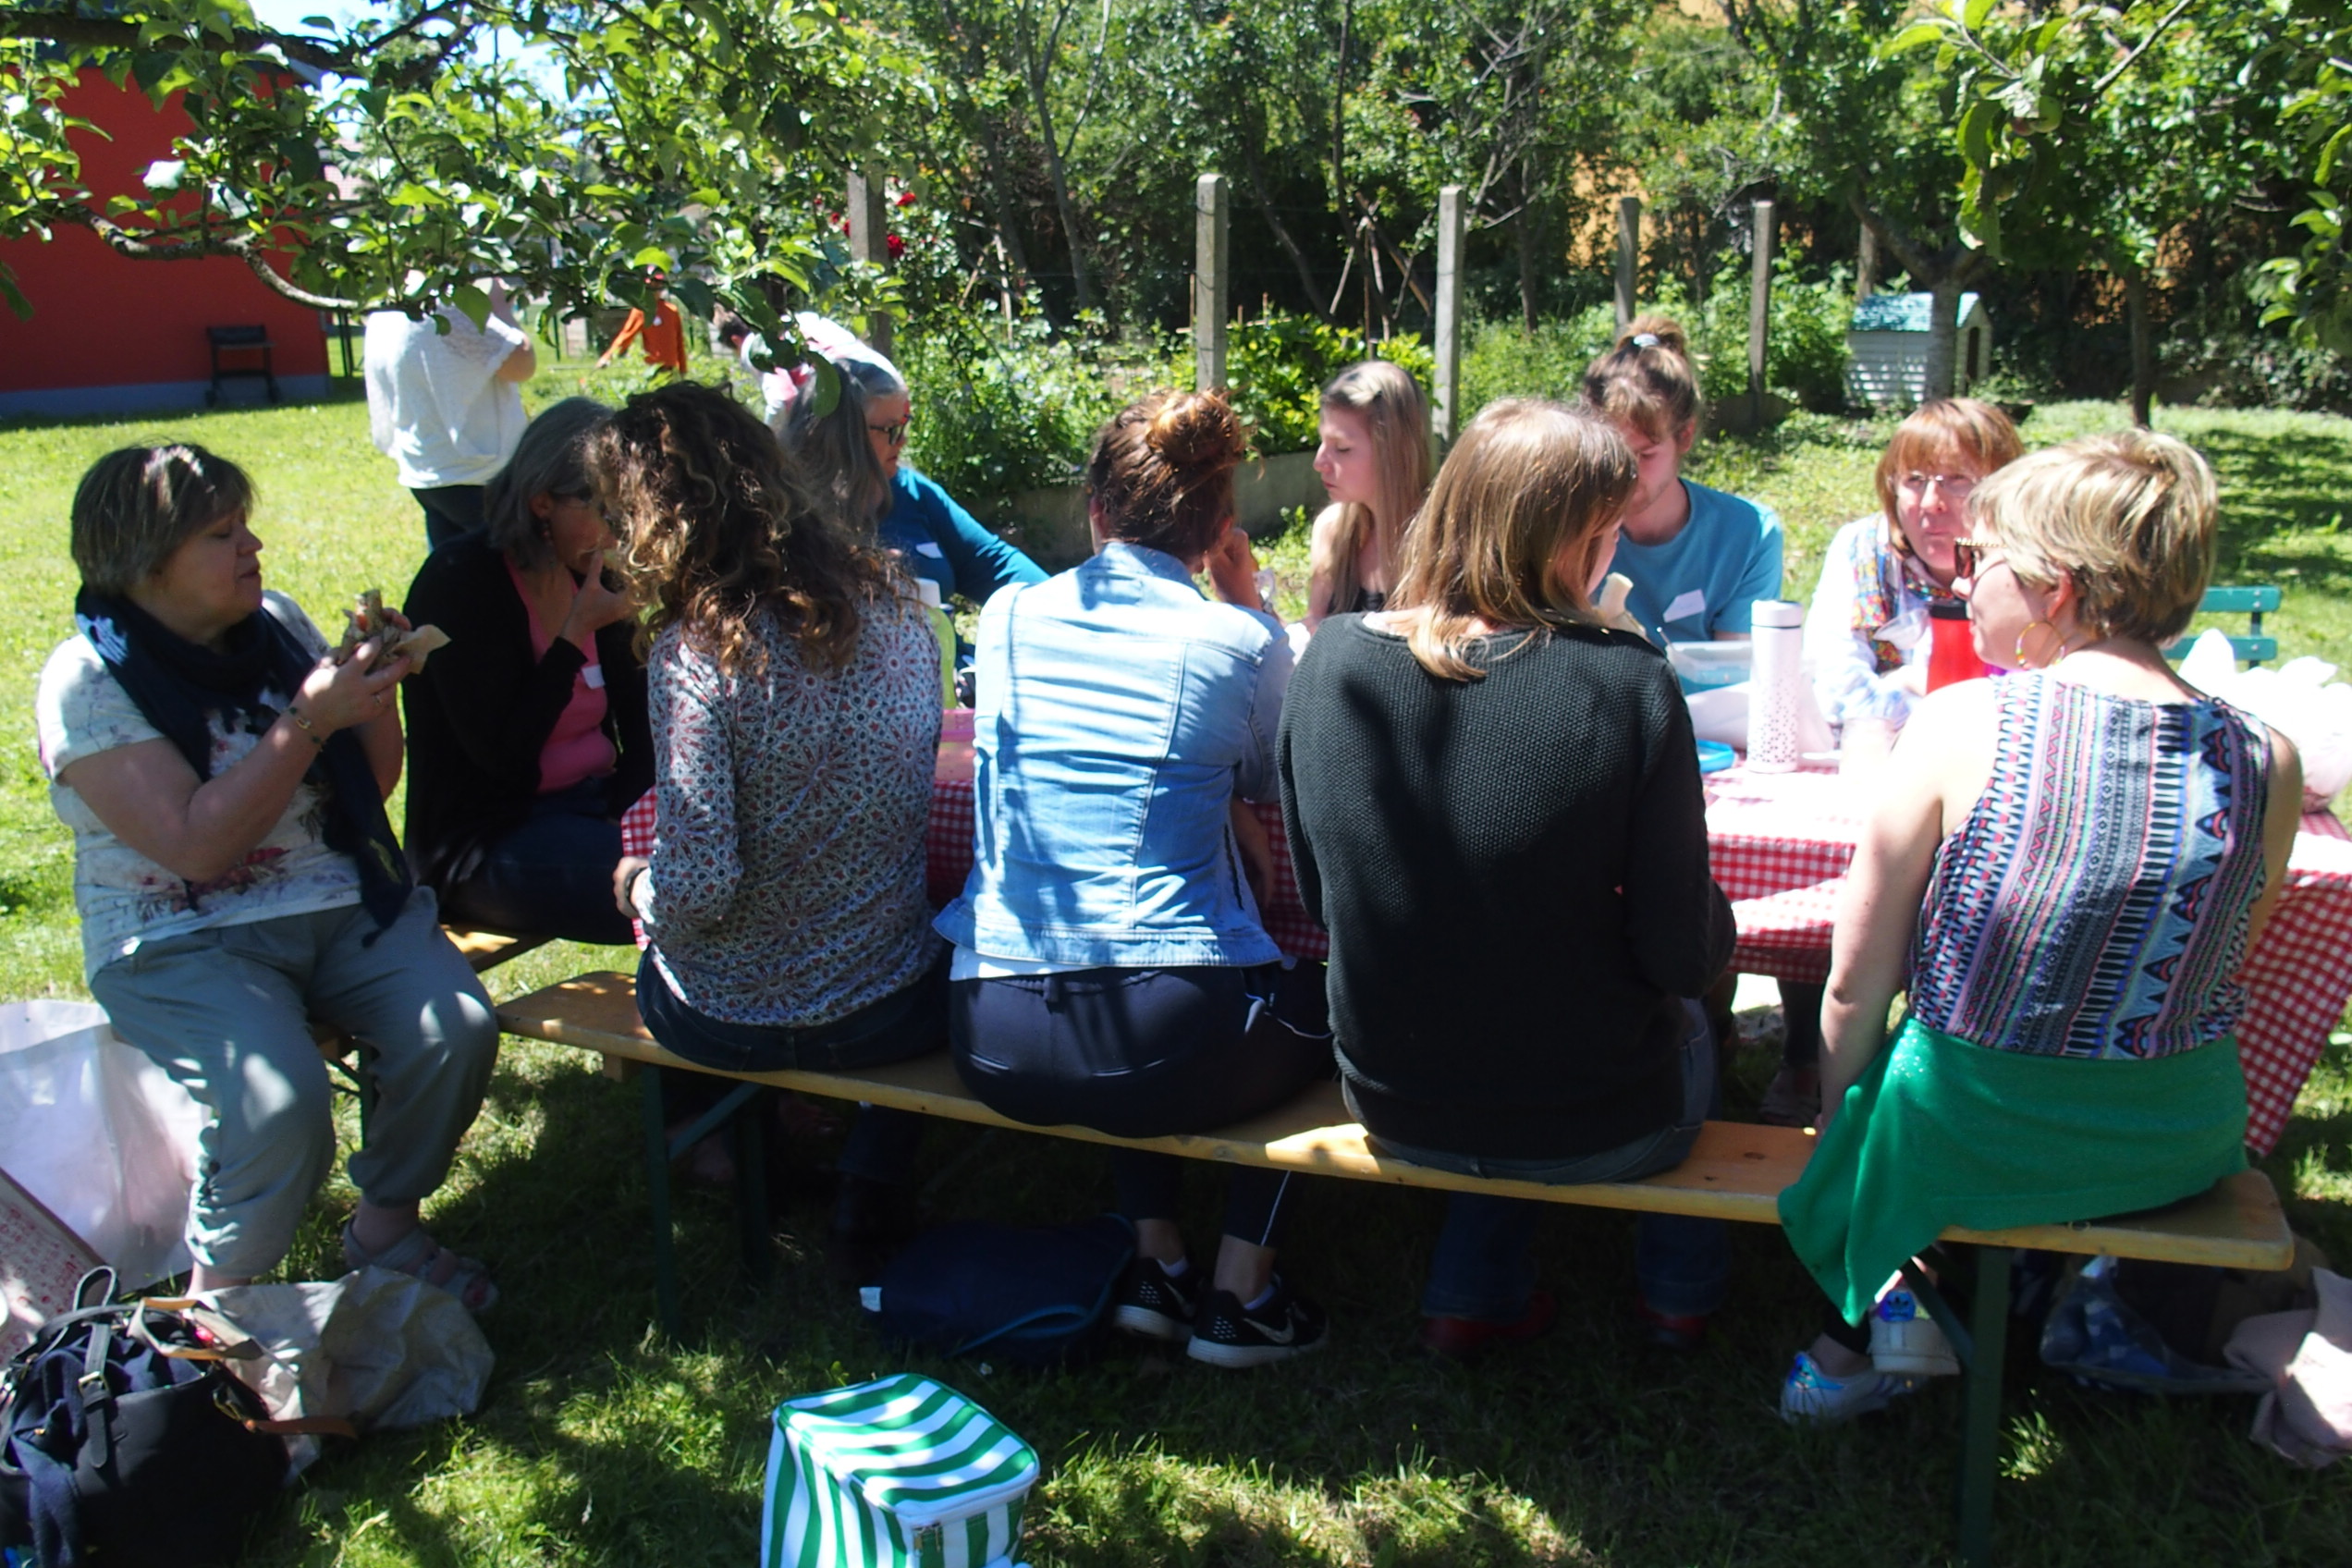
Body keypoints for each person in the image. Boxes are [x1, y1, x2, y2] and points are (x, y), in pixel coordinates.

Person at [1774, 430, 2303, 1422]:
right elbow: (2227, 952)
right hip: (2176, 1138)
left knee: (1893, 1102)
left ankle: (1860, 1347)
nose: (1964, 585)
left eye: (1985, 563)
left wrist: (1840, 1126)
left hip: (1966, 1133)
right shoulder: (2266, 754)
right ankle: (2055, 1301)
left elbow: (1855, 980)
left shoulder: (1962, 722)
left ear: (2055, 589)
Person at [1279, 398, 1735, 1358]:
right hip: (1598, 1122)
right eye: (1607, 534)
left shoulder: (1326, 667)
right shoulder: (1627, 679)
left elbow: (1326, 904)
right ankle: (1679, 1295)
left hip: (1392, 1098)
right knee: (1706, 1018)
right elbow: (1679, 954)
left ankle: (1472, 1283)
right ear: (1581, 541)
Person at [36, 445, 499, 1304]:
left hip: (337, 899)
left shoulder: (276, 623)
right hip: (180, 935)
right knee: (279, 1101)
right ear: (143, 559)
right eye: (221, 534)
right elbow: (194, 846)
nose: (251, 547)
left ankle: (385, 1227)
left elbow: (376, 780)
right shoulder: (88, 681)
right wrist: (307, 721)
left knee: (455, 1030)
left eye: (245, 526)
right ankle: (222, 1299)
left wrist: (375, 690)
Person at [936, 389, 1334, 1369]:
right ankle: (1243, 1289)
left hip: (986, 1030)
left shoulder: (1011, 612)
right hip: (1156, 1030)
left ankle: (1158, 1261)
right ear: (1216, 533)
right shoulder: (1237, 640)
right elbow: (1276, 772)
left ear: (1095, 512)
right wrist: (1254, 609)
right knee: (1328, 994)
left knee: (1126, 984)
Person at [599, 383, 941, 1231]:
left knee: (666, 968)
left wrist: (636, 885)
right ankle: (852, 1160)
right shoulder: (896, 610)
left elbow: (700, 887)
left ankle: (729, 1138)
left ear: (651, 518)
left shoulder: (695, 654)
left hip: (730, 1022)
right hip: (891, 1004)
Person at [1761, 399, 2027, 1127]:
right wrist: (1920, 698)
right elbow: (1832, 677)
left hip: (1993, 790)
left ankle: (1949, 1062)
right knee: (1829, 886)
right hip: (1874, 779)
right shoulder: (1864, 549)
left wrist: (1911, 698)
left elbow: (2037, 688)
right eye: (1913, 481)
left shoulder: (2026, 564)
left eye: (1958, 482)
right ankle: (1806, 1053)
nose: (1932, 505)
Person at [401, 398, 650, 946]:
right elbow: (504, 762)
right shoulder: (462, 581)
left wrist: (627, 816)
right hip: (487, 839)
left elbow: (643, 731)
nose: (622, 529)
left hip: (591, 807)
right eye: (604, 509)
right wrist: (568, 642)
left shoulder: (589, 568)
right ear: (542, 503)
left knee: (737, 860)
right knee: (674, 891)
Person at [774, 315, 1047, 619]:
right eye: (891, 429)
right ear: (843, 437)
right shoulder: (792, 515)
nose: (902, 442)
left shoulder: (911, 491)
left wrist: (1063, 605)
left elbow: (992, 563)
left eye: (905, 426)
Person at [1581, 316, 1782, 644]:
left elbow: (1734, 677)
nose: (1623, 475)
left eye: (1645, 455)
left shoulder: (1750, 535)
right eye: (1609, 454)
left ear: (1684, 436)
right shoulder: (1565, 533)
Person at [363, 289, 537, 549]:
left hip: (426, 469)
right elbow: (521, 363)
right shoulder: (448, 307)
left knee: (452, 574)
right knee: (511, 576)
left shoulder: (387, 304)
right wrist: (500, 309)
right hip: (476, 475)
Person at [1304, 360, 1432, 629]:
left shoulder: (1441, 545)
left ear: (1394, 452)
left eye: (1341, 448)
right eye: (1322, 441)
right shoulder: (1333, 530)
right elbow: (1315, 633)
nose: (1319, 463)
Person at [596, 288, 692, 375]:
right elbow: (626, 336)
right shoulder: (641, 311)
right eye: (652, 286)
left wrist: (683, 368)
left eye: (659, 286)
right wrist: (607, 357)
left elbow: (679, 341)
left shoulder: (671, 310)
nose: (655, 290)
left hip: (671, 368)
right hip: (653, 368)